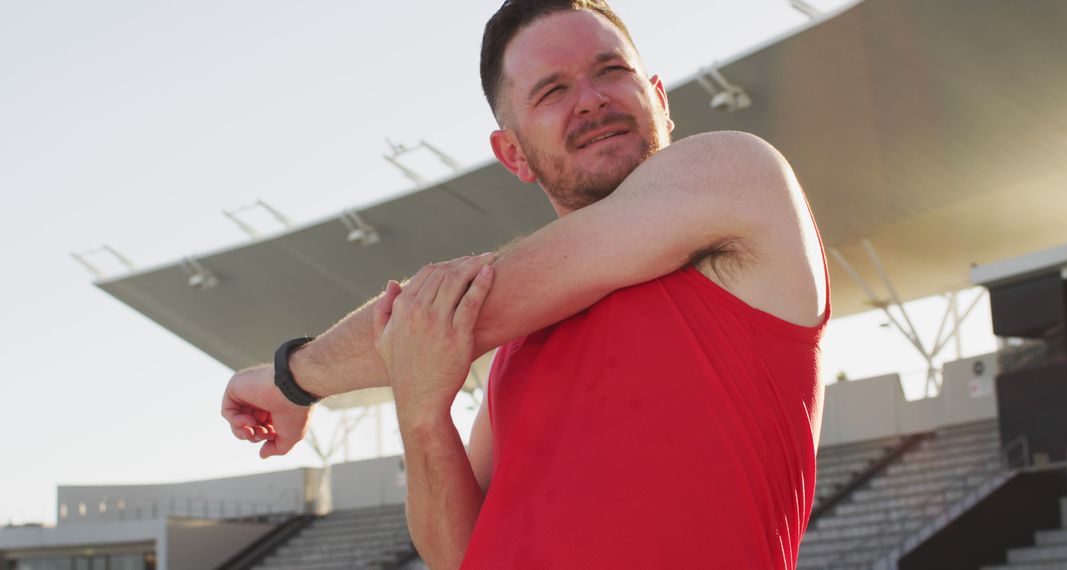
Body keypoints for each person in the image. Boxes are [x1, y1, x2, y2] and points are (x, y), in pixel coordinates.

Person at [222, 0, 829, 568]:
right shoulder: (519, 341)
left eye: (610, 70)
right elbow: (456, 556)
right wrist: (422, 409)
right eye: (553, 90)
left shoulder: (738, 174)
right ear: (512, 154)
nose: (590, 100)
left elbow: (448, 310)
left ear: (659, 98)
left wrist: (290, 377)